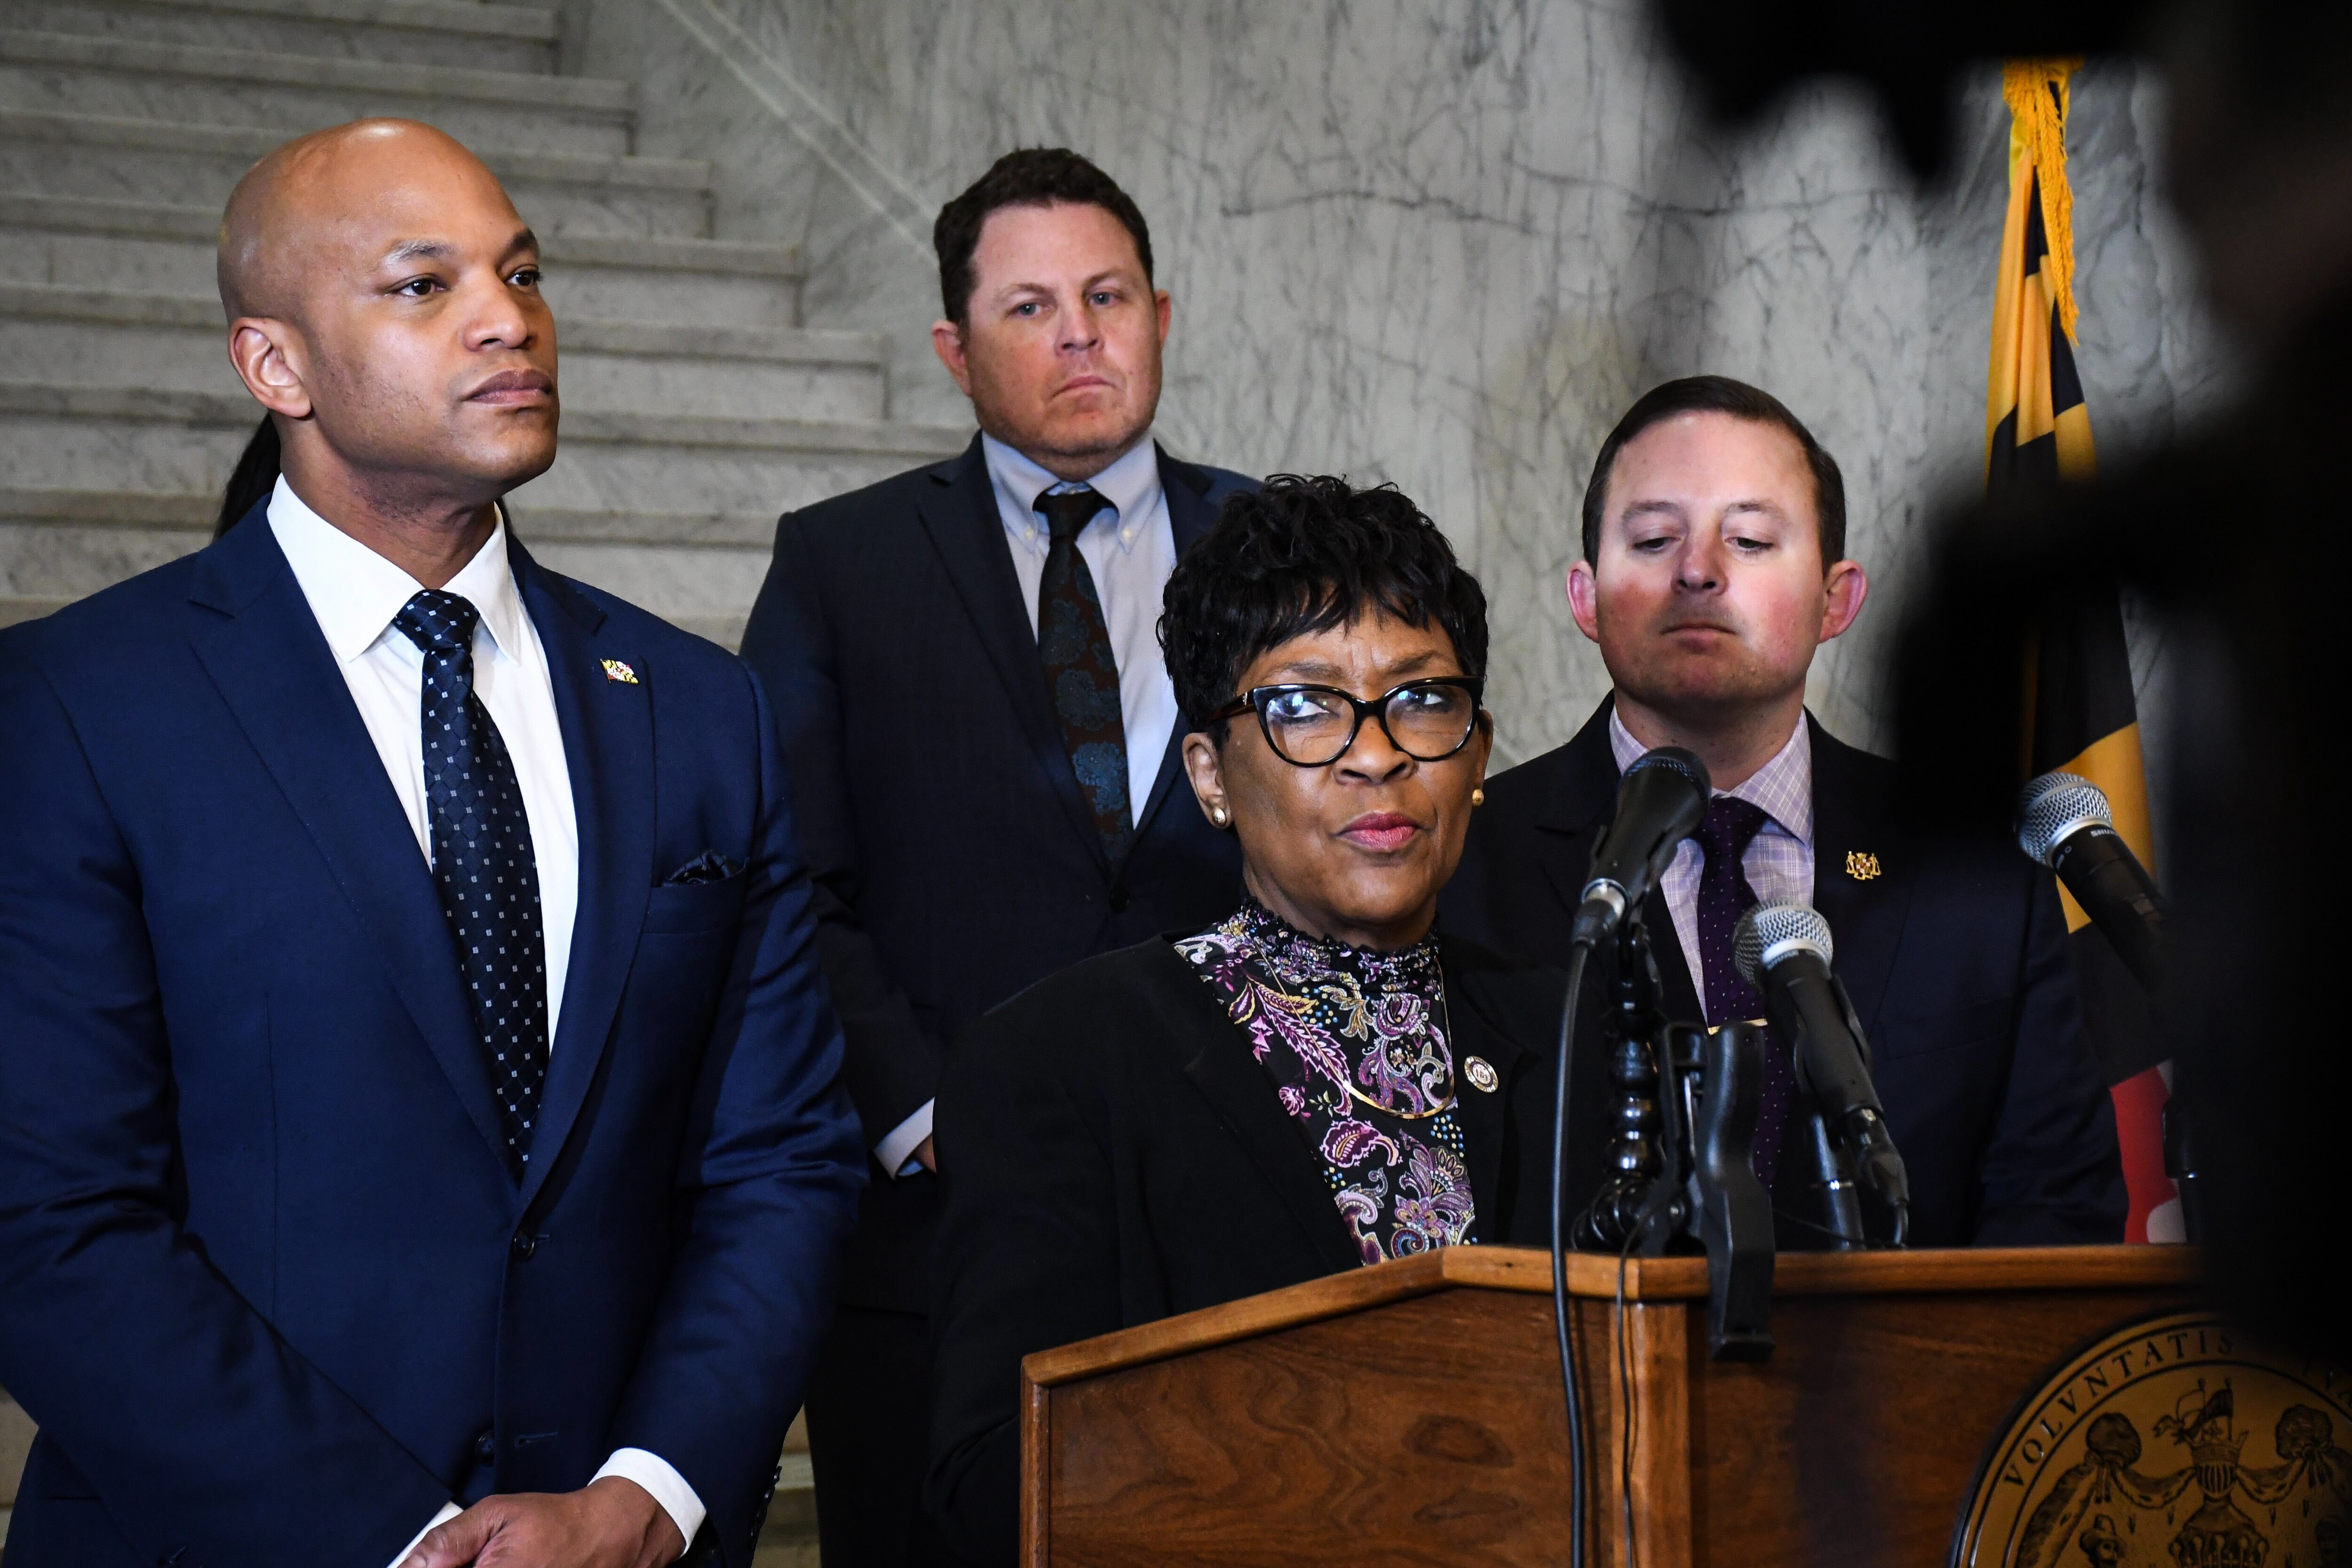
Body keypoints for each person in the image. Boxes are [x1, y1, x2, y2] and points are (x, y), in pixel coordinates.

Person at [0, 119, 863, 1568]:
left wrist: (648, 1490)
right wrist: (400, 1537)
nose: (506, 317)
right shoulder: (78, 705)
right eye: (424, 283)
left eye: (521, 272)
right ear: (273, 366)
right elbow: (50, 1214)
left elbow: (778, 1158)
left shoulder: (699, 707)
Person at [735, 148, 1253, 1564]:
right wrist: (919, 1107)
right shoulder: (841, 564)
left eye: (1108, 294)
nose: (1081, 331)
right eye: (1032, 308)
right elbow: (785, 877)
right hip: (937, 1240)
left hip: (1243, 1211)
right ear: (956, 351)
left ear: (1161, 311)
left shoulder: (1279, 541)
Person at [924, 474, 1579, 1565]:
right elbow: (993, 1480)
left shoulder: (1580, 1035)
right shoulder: (1058, 1059)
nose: (1377, 754)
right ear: (1209, 774)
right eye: (1305, 705)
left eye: (1421, 699)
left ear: (1477, 757)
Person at [1444, 375, 2125, 1246]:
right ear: (1585, 597)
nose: (1697, 570)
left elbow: (2058, 1213)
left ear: (1836, 599)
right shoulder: (1465, 858)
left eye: (1751, 539)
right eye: (1654, 538)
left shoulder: (1972, 862)